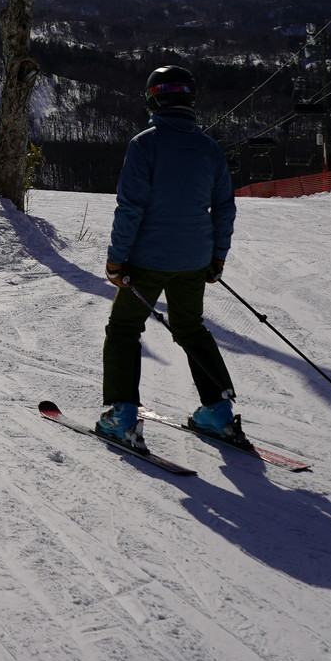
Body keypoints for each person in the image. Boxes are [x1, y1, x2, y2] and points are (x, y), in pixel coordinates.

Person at [99, 64, 239, 446]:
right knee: (190, 328)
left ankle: (123, 415)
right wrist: (217, 256)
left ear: (152, 98)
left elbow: (130, 208)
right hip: (194, 260)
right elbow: (224, 208)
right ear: (190, 100)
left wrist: (116, 259)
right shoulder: (208, 147)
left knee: (125, 329)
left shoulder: (145, 144)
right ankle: (219, 412)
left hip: (146, 261)